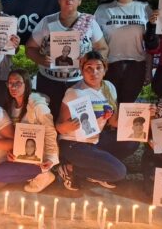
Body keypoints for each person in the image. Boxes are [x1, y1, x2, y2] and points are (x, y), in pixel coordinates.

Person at [55, 51, 138, 190]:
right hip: (74, 144)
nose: (94, 72)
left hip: (96, 139)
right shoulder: (74, 92)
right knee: (119, 172)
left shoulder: (109, 87)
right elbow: (59, 127)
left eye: (98, 67)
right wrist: (69, 126)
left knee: (132, 141)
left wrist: (143, 116)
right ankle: (69, 169)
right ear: (82, 70)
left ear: (105, 70)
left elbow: (114, 122)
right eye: (89, 68)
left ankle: (99, 169)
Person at [27, 0, 109, 117]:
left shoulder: (89, 23)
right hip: (49, 83)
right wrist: (41, 59)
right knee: (48, 121)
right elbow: (30, 48)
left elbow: (103, 48)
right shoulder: (47, 22)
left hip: (78, 84)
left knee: (76, 121)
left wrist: (89, 62)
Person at [94, 0, 158, 104]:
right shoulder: (103, 10)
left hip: (135, 67)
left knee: (126, 108)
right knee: (109, 108)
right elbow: (93, 40)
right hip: (109, 66)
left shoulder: (145, 8)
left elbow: (150, 42)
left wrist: (148, 70)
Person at [0, 68, 59, 193]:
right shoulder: (11, 106)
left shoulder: (38, 105)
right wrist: (11, 153)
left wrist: (50, 158)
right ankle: (32, 175)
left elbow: (50, 131)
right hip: (21, 156)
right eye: (10, 83)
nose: (13, 87)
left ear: (26, 84)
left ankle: (43, 174)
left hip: (39, 158)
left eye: (18, 83)